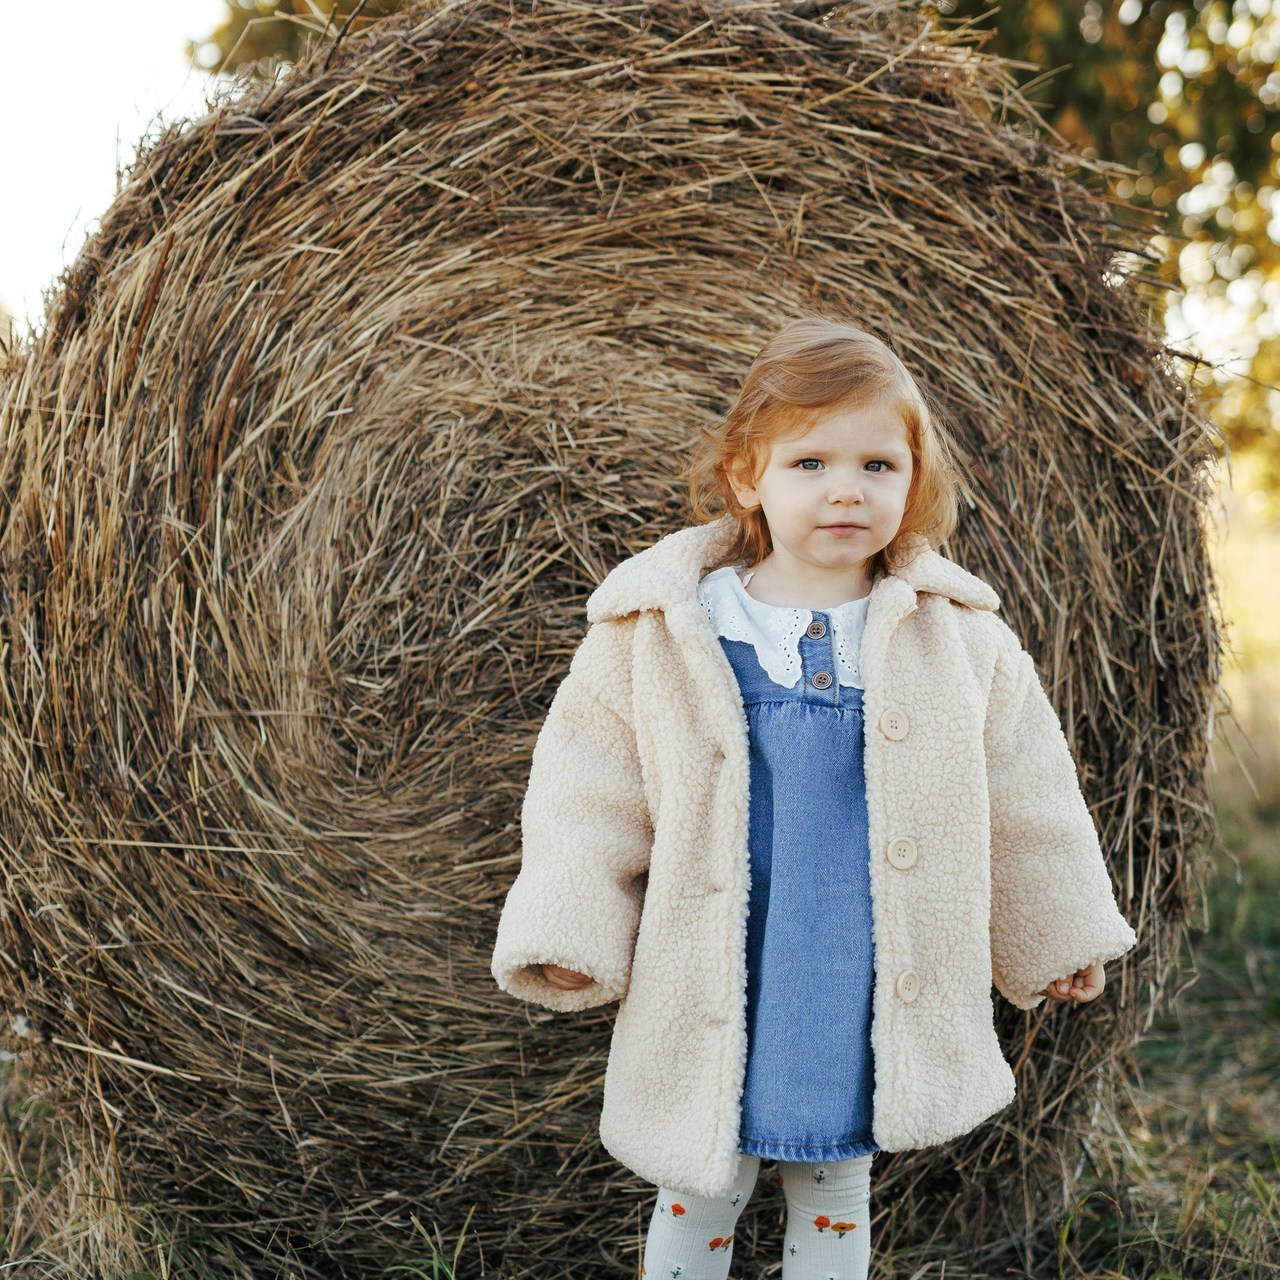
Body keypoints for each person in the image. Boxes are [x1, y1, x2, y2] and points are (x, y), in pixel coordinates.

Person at [491, 314, 1137, 1280]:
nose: (847, 489)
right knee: (702, 1178)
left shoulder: (957, 641)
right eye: (810, 464)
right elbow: (588, 792)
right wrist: (572, 929)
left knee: (835, 1186)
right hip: (718, 959)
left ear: (913, 479)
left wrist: (1056, 932)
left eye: (879, 464)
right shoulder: (668, 629)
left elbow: (1026, 797)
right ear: (748, 476)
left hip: (855, 967)